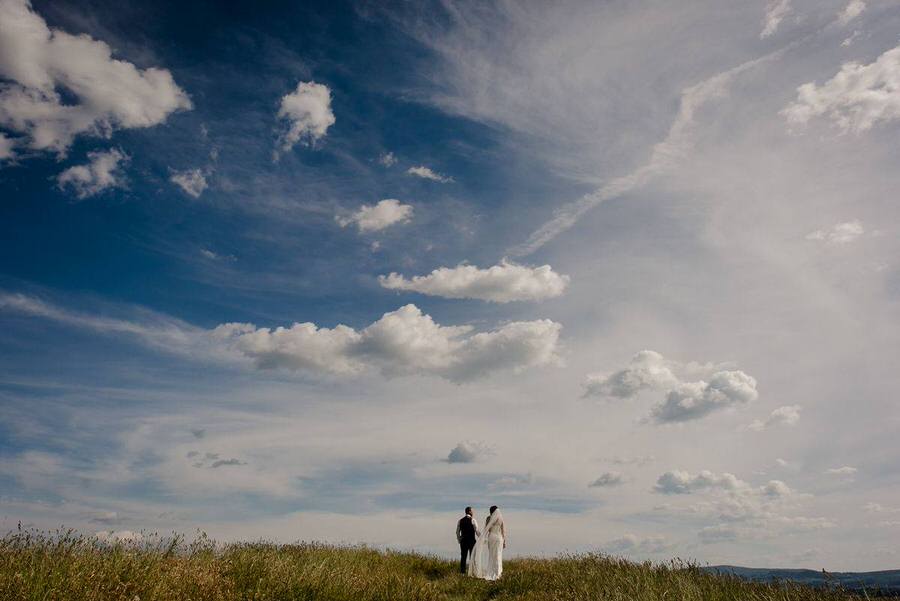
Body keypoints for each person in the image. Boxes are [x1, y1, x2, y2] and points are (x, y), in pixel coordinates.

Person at [467, 505, 506, 580]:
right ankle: (498, 573)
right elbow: (503, 530)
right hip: (499, 538)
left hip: (491, 537)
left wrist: (482, 538)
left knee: (491, 555)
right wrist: (504, 541)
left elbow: (487, 529)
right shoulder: (501, 518)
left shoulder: (489, 518)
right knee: (498, 554)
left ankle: (491, 572)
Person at [456, 506, 479, 574]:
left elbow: (457, 532)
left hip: (463, 541)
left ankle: (462, 573)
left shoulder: (460, 520)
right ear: (469, 511)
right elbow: (477, 531)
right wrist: (481, 537)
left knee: (463, 557)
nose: (473, 512)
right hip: (472, 541)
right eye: (472, 511)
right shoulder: (473, 520)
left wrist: (459, 539)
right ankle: (472, 572)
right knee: (472, 557)